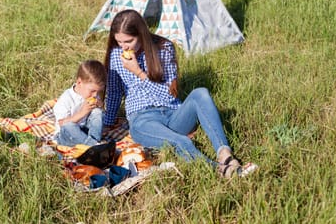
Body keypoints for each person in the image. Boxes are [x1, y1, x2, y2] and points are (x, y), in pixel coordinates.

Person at [103, 9, 256, 178]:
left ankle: (225, 154)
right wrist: (107, 123)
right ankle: (222, 171)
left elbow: (169, 96)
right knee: (182, 141)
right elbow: (115, 93)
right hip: (143, 119)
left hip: (173, 113)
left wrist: (139, 73)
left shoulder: (164, 48)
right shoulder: (116, 55)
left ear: (141, 34)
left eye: (128, 41)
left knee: (201, 93)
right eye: (119, 42)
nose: (123, 47)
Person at [53, 60, 106, 147]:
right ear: (79, 82)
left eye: (98, 91)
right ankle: (94, 146)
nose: (95, 95)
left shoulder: (92, 95)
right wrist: (83, 112)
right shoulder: (66, 99)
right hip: (66, 135)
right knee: (69, 126)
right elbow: (62, 124)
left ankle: (93, 142)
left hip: (85, 132)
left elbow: (97, 117)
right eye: (92, 91)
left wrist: (100, 106)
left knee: (98, 112)